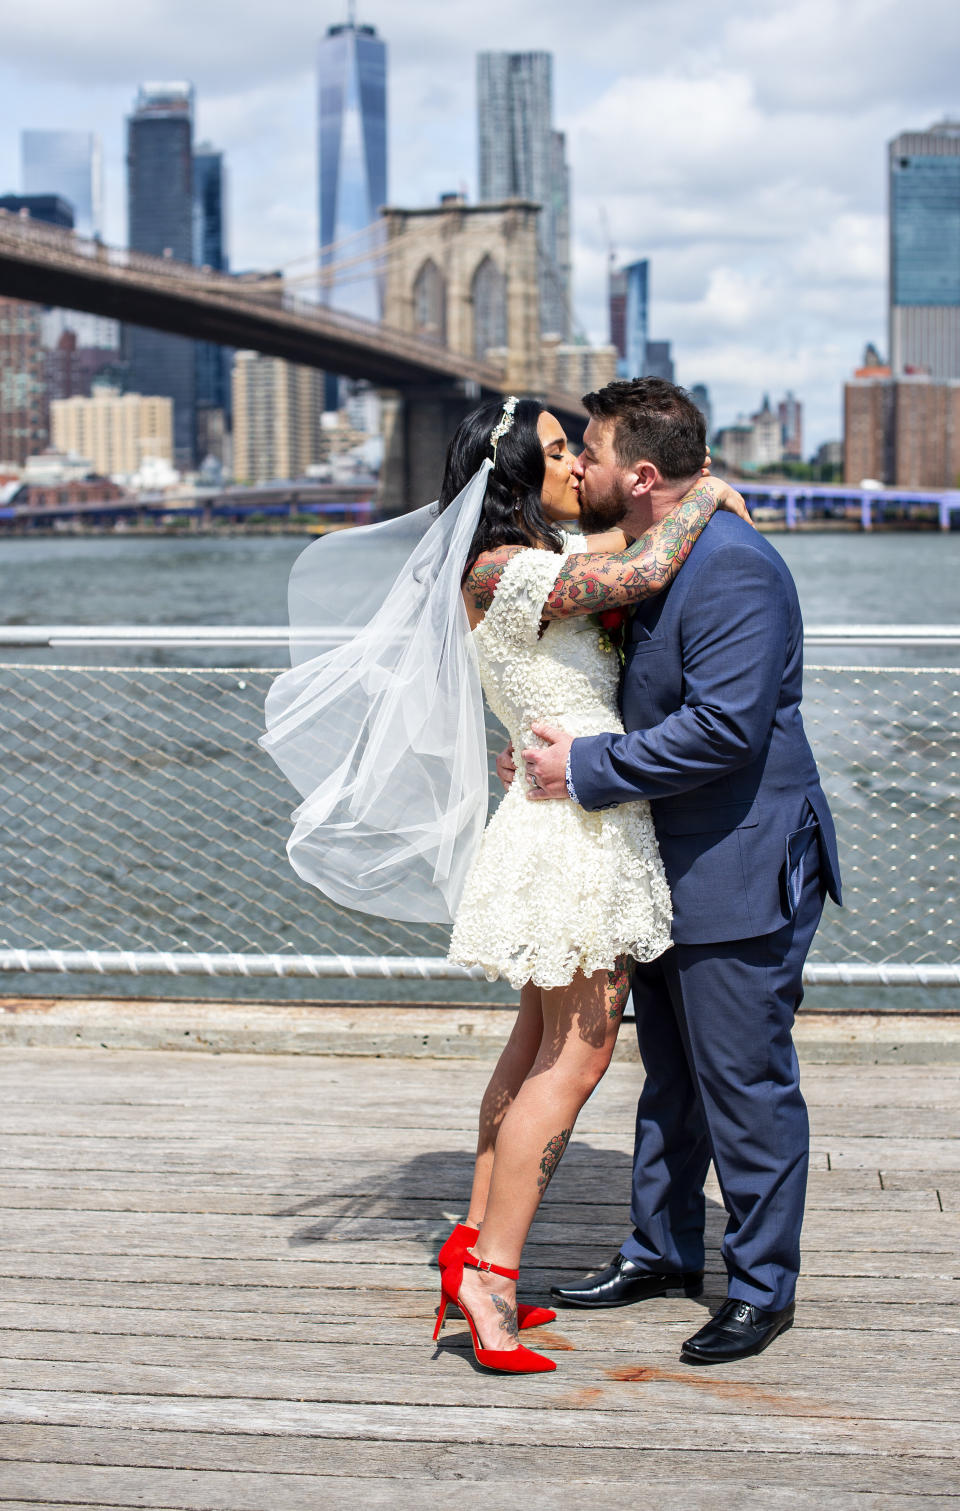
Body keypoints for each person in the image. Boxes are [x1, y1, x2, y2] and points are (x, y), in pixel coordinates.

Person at [261, 392, 748, 1376]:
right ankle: (492, 1274)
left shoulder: (523, 566)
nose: (579, 465)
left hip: (561, 810)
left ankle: (475, 1240)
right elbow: (648, 565)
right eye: (564, 450)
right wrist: (710, 495)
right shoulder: (506, 566)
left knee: (535, 1043)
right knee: (575, 1056)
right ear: (520, 469)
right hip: (575, 828)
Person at [521, 378, 842, 1365]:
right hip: (664, 857)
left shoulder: (734, 567)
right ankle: (662, 1248)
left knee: (743, 1080)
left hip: (741, 857)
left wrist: (580, 767)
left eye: (595, 452)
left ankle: (761, 1286)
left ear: (643, 475)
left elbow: (725, 729)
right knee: (671, 1076)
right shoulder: (655, 553)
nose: (582, 465)